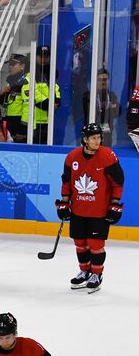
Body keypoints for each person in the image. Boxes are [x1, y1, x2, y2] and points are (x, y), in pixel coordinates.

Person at [57, 122, 125, 293]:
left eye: (99, 138)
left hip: (99, 210)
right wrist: (64, 202)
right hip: (79, 209)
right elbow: (66, 181)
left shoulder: (108, 156)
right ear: (85, 140)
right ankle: (84, 271)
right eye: (94, 138)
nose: (98, 141)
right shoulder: (72, 157)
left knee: (95, 244)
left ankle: (96, 274)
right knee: (80, 243)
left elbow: (118, 183)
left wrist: (114, 205)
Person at [79, 68, 120, 146]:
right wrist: (109, 108)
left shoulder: (112, 95)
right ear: (96, 81)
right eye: (100, 79)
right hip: (91, 133)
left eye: (105, 79)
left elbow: (118, 112)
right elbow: (89, 112)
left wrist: (102, 108)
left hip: (107, 133)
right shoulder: (89, 95)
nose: (103, 82)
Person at [21, 55, 56, 145]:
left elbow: (56, 97)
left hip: (45, 122)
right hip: (30, 123)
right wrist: (51, 104)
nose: (43, 60)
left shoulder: (48, 78)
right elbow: (40, 101)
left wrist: (55, 103)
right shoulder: (29, 78)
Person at [0, 54, 28, 141]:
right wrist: (1, 94)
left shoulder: (26, 81)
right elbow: (5, 103)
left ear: (22, 66)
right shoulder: (12, 81)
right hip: (9, 121)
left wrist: (23, 130)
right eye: (9, 64)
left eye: (13, 64)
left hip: (20, 123)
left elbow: (27, 107)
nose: (10, 67)